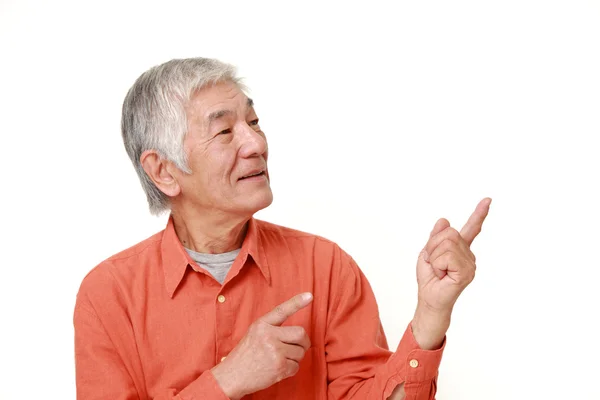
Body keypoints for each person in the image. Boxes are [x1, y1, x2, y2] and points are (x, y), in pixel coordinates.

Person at [73, 57, 491, 400]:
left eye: (253, 122)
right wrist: (228, 380)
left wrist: (432, 314)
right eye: (224, 131)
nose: (256, 144)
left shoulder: (325, 266)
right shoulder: (109, 295)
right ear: (163, 171)